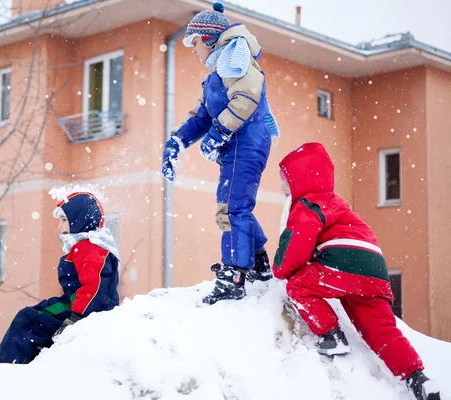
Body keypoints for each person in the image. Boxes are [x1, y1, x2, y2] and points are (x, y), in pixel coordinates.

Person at [273, 142, 440, 400]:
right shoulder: (339, 204)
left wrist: (281, 268)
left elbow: (297, 242)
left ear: (300, 180)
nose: (282, 186)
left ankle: (332, 335)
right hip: (373, 267)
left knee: (298, 286)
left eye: (285, 179)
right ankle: (417, 378)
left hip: (343, 261)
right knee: (380, 328)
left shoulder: (307, 204)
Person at [161, 2, 280, 305]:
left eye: (196, 42)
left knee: (230, 208)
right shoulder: (217, 71)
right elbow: (202, 116)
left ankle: (234, 276)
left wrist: (219, 133)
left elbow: (246, 98)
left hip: (247, 141)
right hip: (237, 143)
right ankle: (260, 265)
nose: (193, 49)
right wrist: (176, 141)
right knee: (236, 205)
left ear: (209, 38)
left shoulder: (237, 60)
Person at [0, 192, 120, 365]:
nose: (59, 227)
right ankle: (27, 361)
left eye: (64, 220)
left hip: (81, 307)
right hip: (77, 304)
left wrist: (76, 316)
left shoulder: (89, 248)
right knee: (37, 316)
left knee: (29, 318)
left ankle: (3, 366)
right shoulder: (88, 246)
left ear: (79, 219)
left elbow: (94, 287)